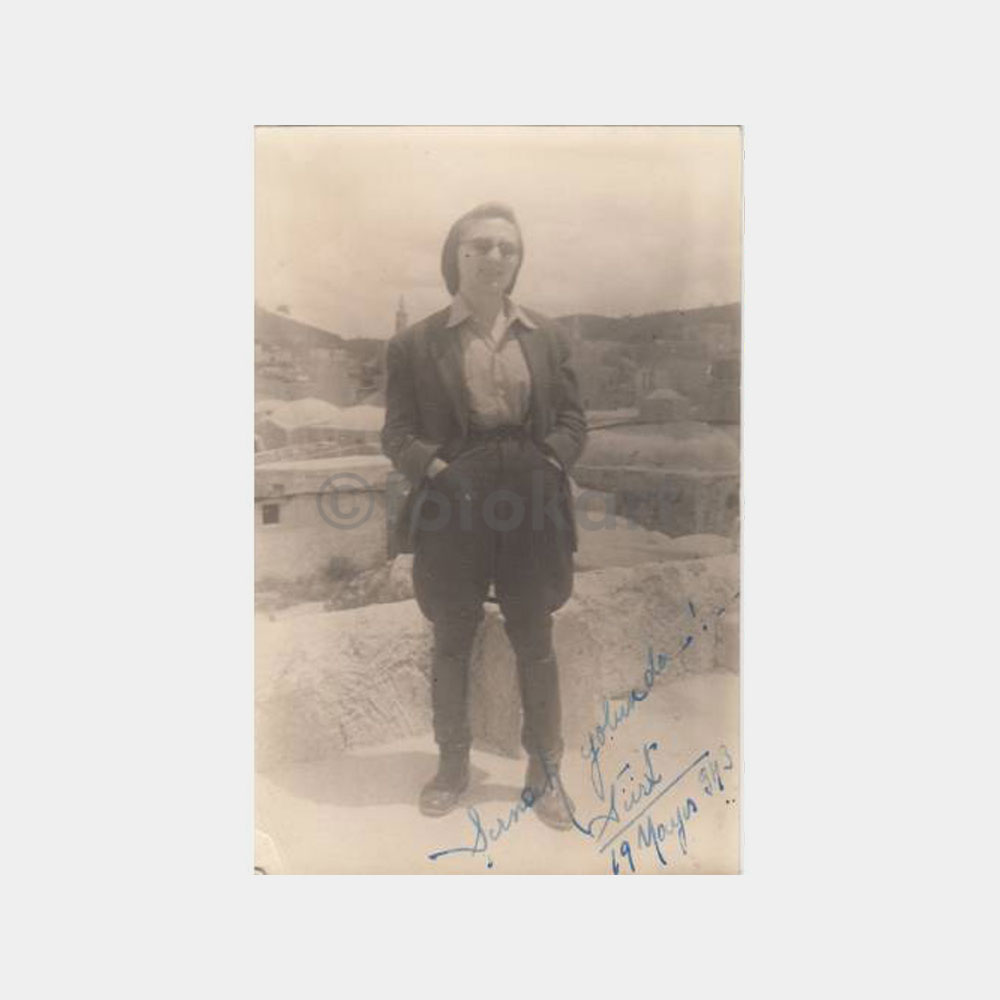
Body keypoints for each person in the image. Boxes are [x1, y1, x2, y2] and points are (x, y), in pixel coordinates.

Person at [381, 202, 587, 830]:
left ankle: (544, 775)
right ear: (456, 255)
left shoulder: (547, 336)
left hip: (531, 503)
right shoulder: (416, 343)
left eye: (508, 247)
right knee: (452, 638)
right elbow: (397, 433)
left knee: (536, 641)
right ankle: (452, 767)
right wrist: (439, 471)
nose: (495, 256)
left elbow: (573, 420)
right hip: (454, 502)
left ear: (518, 260)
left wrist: (550, 461)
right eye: (481, 245)